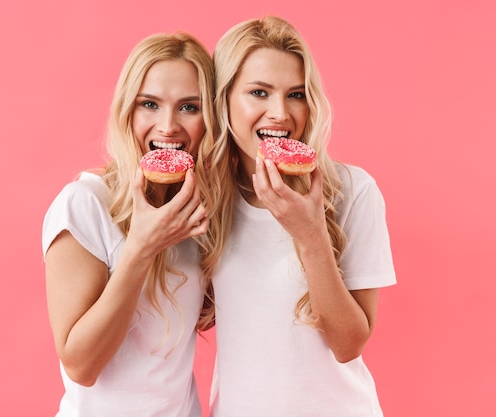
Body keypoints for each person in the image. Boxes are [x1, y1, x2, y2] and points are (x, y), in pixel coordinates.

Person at [200, 16, 397, 416]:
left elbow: (348, 344)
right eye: (259, 92)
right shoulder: (207, 199)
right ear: (224, 100)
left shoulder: (352, 191)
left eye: (295, 94)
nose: (280, 113)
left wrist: (310, 235)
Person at [42, 32, 215, 417]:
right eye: (149, 104)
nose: (168, 125)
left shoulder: (196, 213)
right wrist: (142, 247)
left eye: (189, 107)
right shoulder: (85, 204)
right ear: (127, 111)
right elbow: (81, 366)